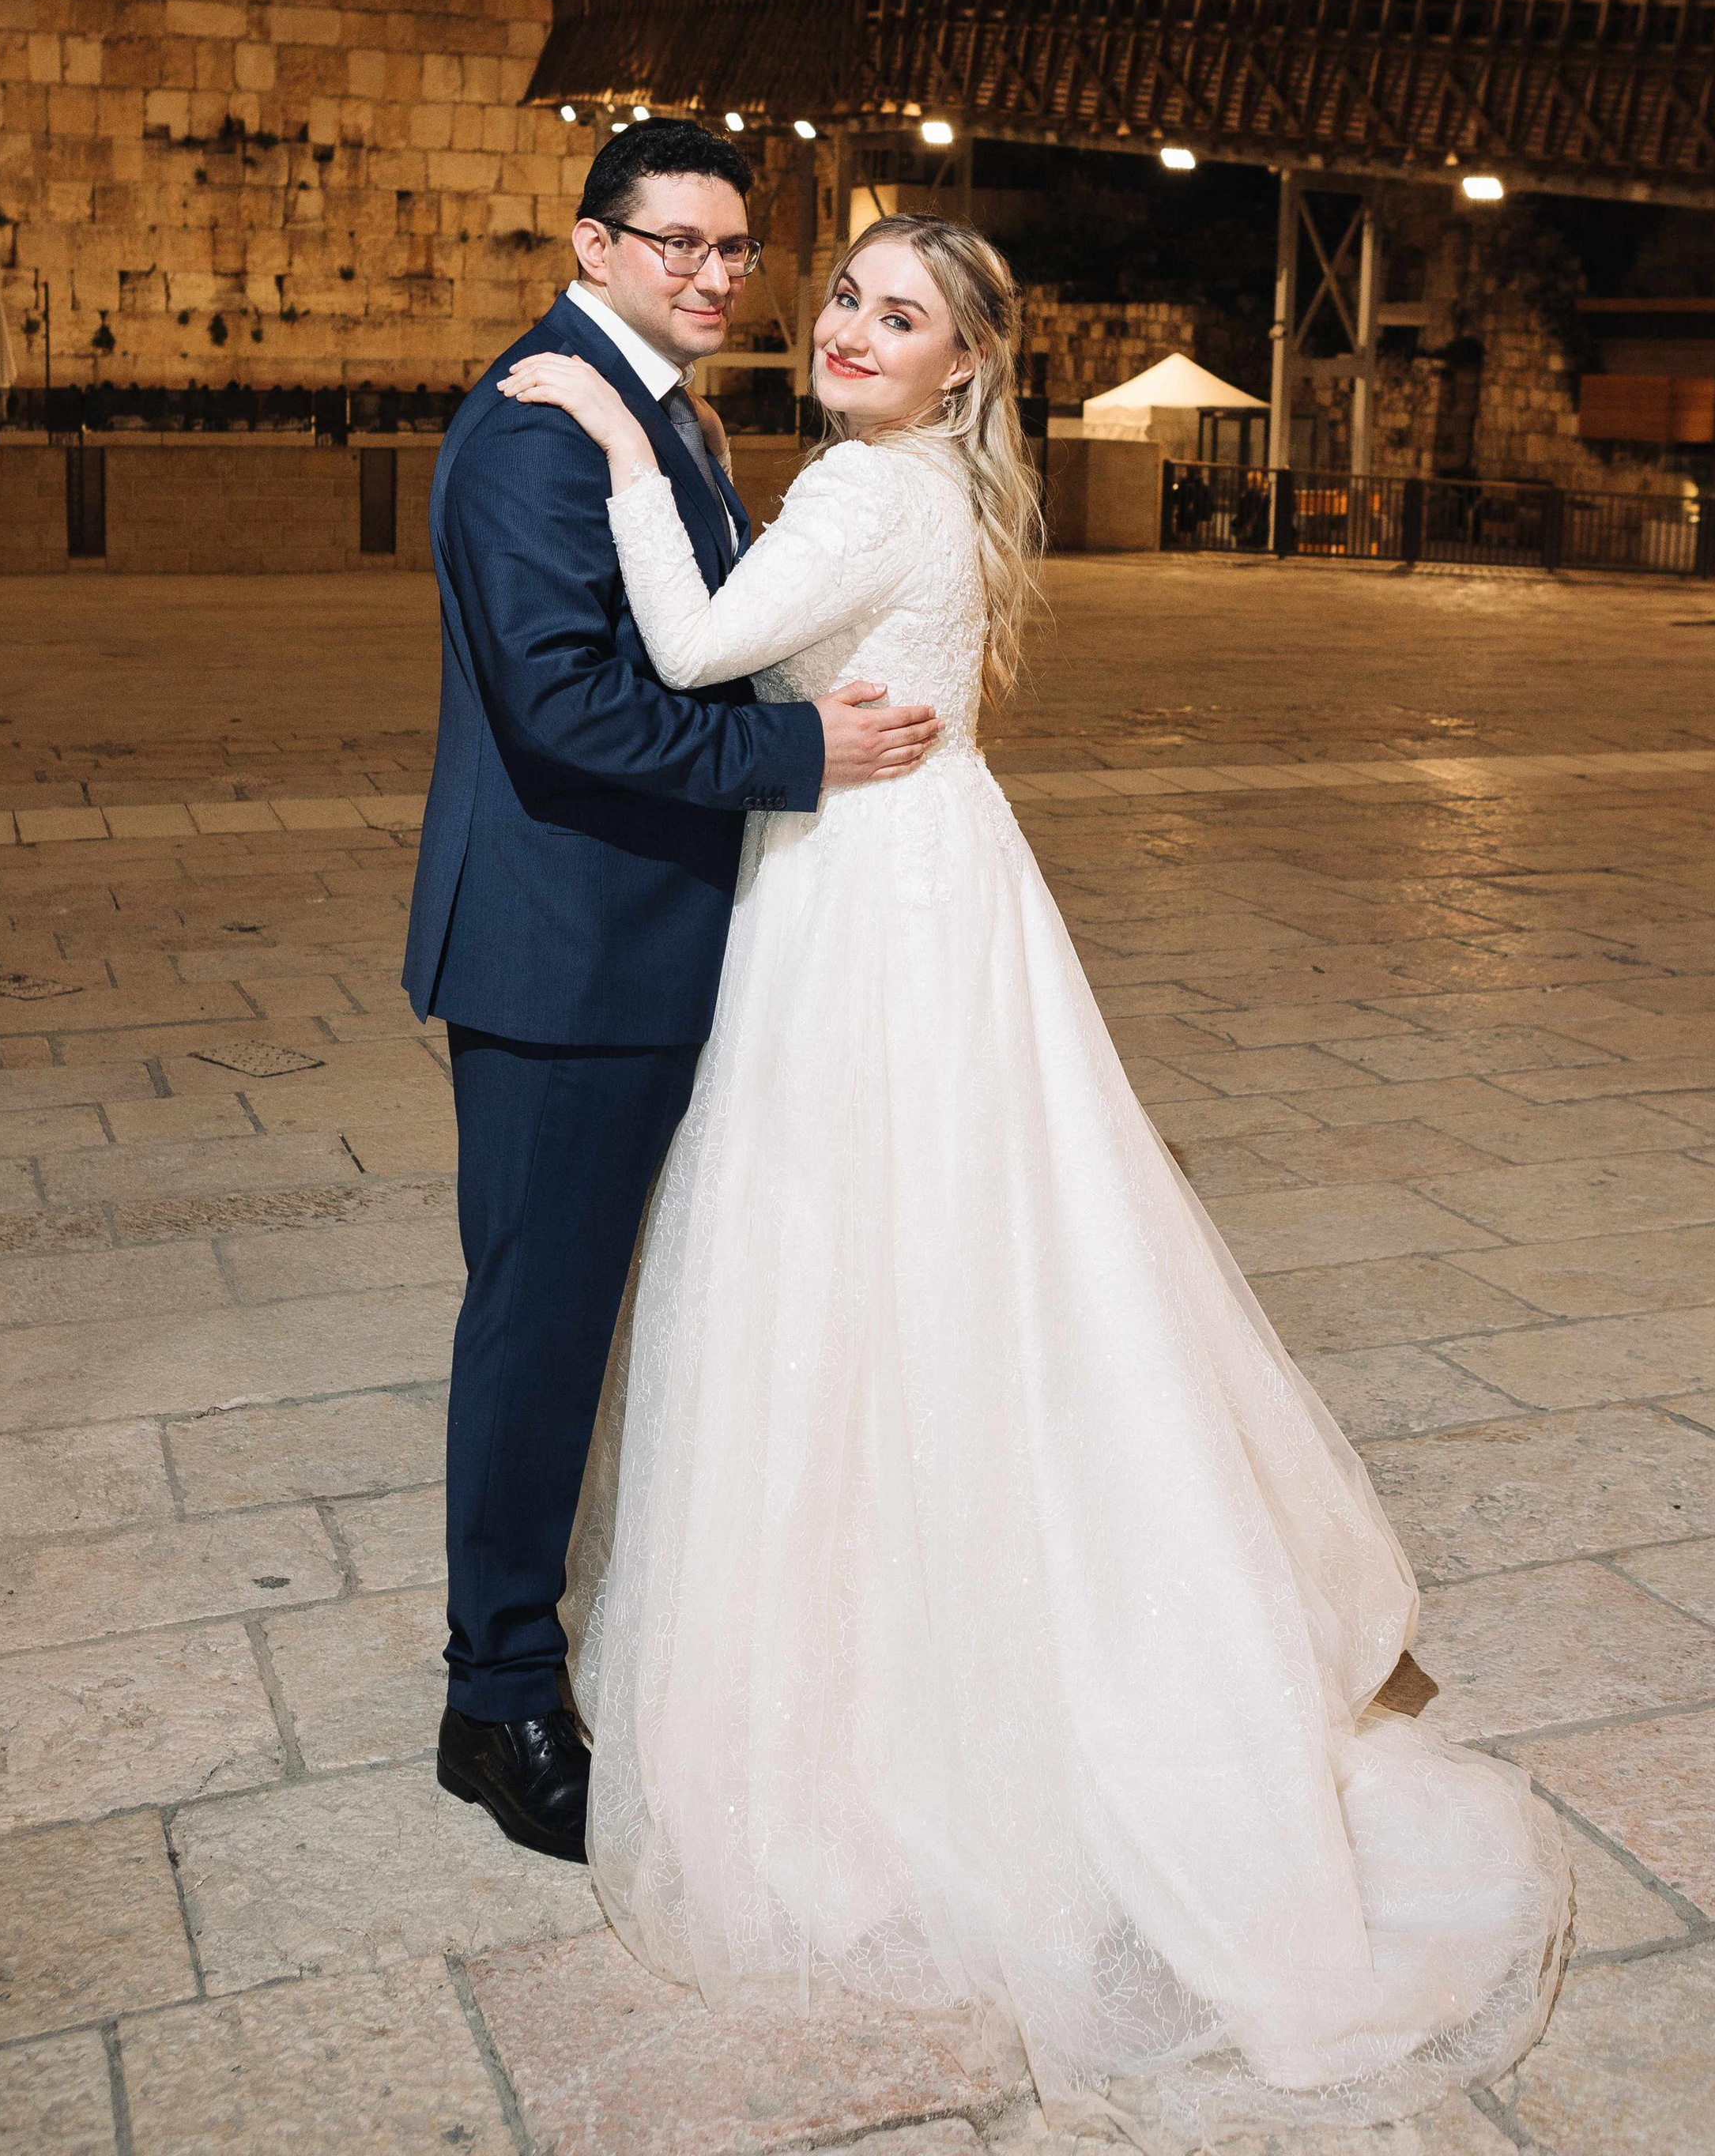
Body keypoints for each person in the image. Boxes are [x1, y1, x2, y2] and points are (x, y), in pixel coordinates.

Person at [497, 212, 1568, 2139]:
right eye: (843, 295)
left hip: (861, 903)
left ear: (964, 364)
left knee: (848, 1250)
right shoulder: (927, 489)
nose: (846, 327)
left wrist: (608, 444)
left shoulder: (867, 489)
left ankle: (894, 1696)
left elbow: (689, 647)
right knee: (974, 1249)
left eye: (894, 314)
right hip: (937, 876)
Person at [402, 126, 941, 1867]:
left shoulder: (658, 414)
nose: (715, 276)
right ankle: (497, 1702)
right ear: (594, 244)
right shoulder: (533, 431)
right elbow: (562, 707)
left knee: (629, 1323)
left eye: (735, 249)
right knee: (539, 1328)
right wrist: (801, 756)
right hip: (564, 959)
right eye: (677, 244)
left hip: (656, 939)